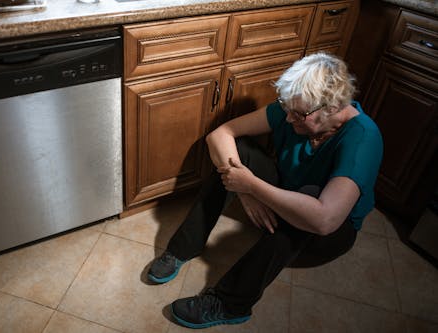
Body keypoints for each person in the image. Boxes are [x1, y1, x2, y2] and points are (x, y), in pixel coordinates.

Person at [147, 52, 383, 329]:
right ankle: (183, 248)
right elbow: (219, 136)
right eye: (287, 108)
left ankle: (230, 304)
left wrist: (252, 186)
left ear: (331, 107)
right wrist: (245, 193)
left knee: (302, 215)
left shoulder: (363, 137)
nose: (289, 119)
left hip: (326, 233)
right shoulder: (294, 111)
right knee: (238, 155)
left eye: (300, 114)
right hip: (283, 195)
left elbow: (324, 219)